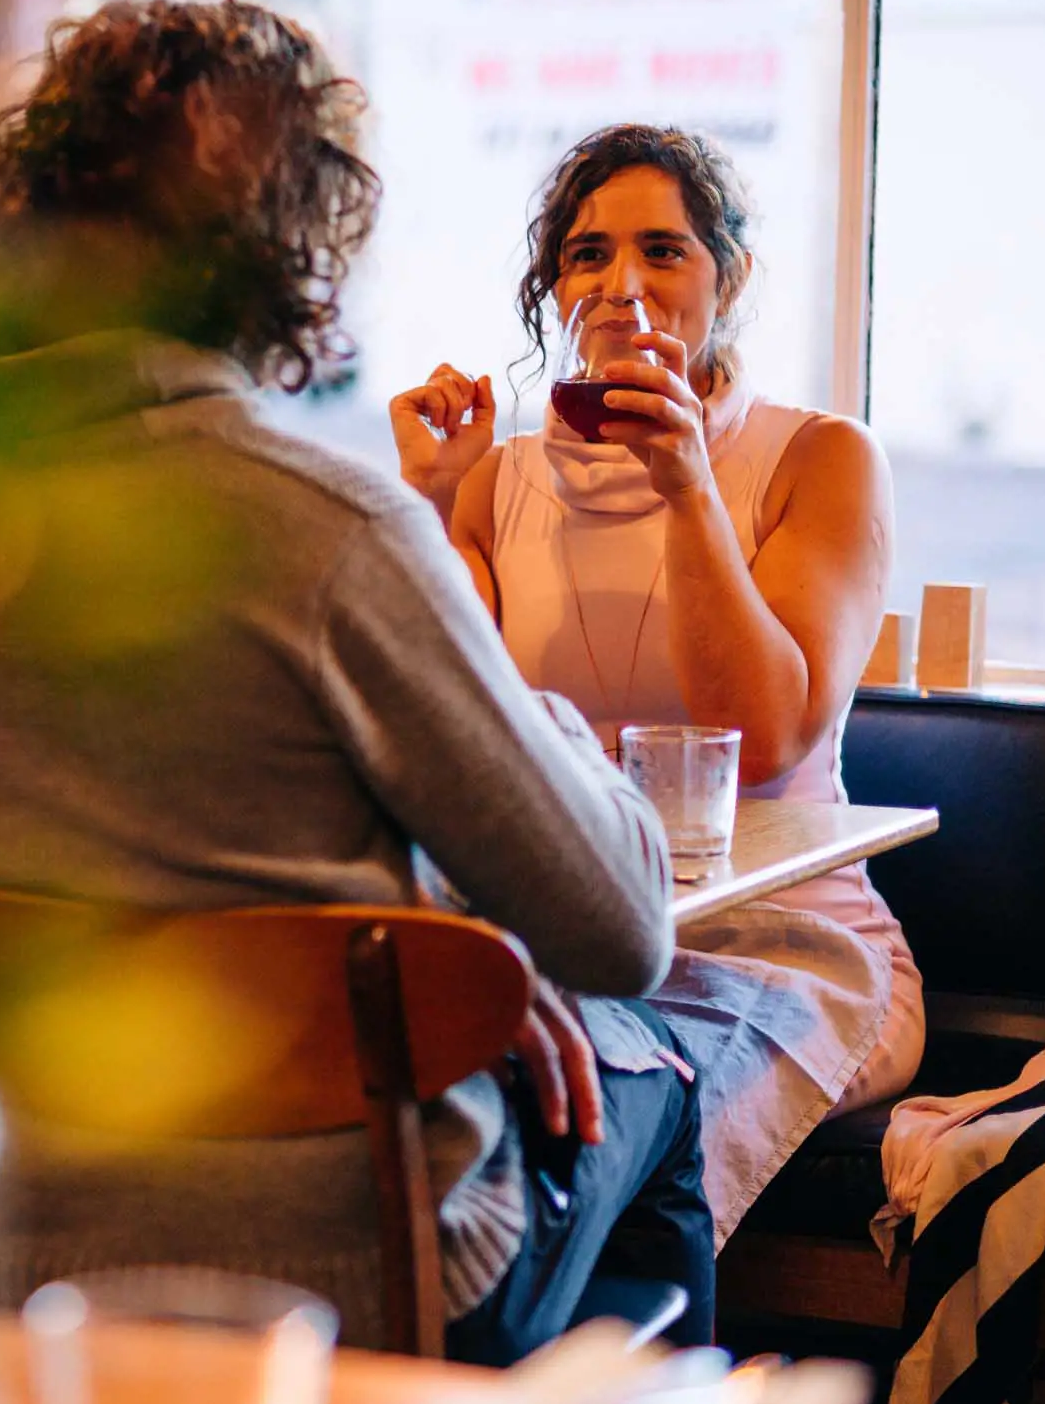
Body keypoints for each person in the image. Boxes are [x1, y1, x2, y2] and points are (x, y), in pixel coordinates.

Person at [0, 0, 707, 1361]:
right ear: (291, 245)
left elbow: (134, 833)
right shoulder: (324, 526)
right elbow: (621, 927)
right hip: (342, 1274)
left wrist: (447, 970)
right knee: (664, 1081)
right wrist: (539, 725)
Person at [389, 123, 923, 1238]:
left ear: (728, 280)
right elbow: (446, 733)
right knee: (408, 1116)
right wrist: (432, 504)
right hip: (571, 942)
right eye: (587, 255)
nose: (621, 284)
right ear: (555, 289)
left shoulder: (820, 458)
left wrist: (685, 481)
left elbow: (764, 736)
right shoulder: (495, 479)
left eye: (663, 251)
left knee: (578, 1135)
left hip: (780, 946)